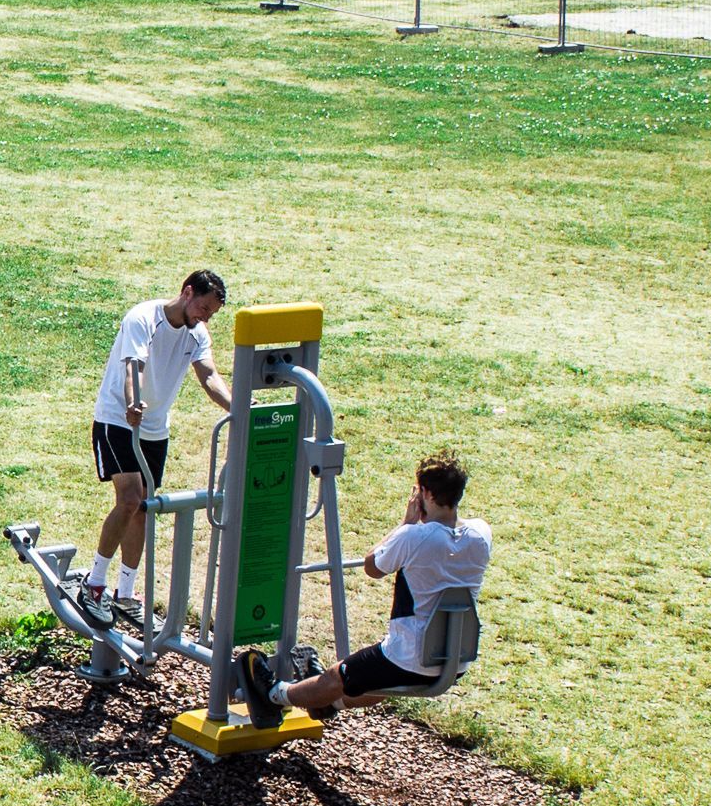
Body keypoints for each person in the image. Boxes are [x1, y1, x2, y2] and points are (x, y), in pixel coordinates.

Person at [237, 452, 489, 724]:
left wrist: (405, 524)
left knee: (337, 677)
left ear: (425, 493)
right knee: (377, 681)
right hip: (456, 661)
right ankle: (325, 704)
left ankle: (273, 694)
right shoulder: (481, 533)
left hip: (407, 658)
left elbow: (373, 566)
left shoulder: (413, 536)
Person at [88, 270, 235, 618]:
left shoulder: (196, 333)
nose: (204, 317)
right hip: (117, 419)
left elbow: (209, 375)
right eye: (203, 307)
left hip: (155, 430)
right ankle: (94, 582)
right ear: (186, 292)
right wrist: (132, 402)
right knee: (129, 500)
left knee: (143, 510)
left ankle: (125, 592)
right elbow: (133, 367)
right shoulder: (143, 318)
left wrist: (238, 407)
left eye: (211, 313)